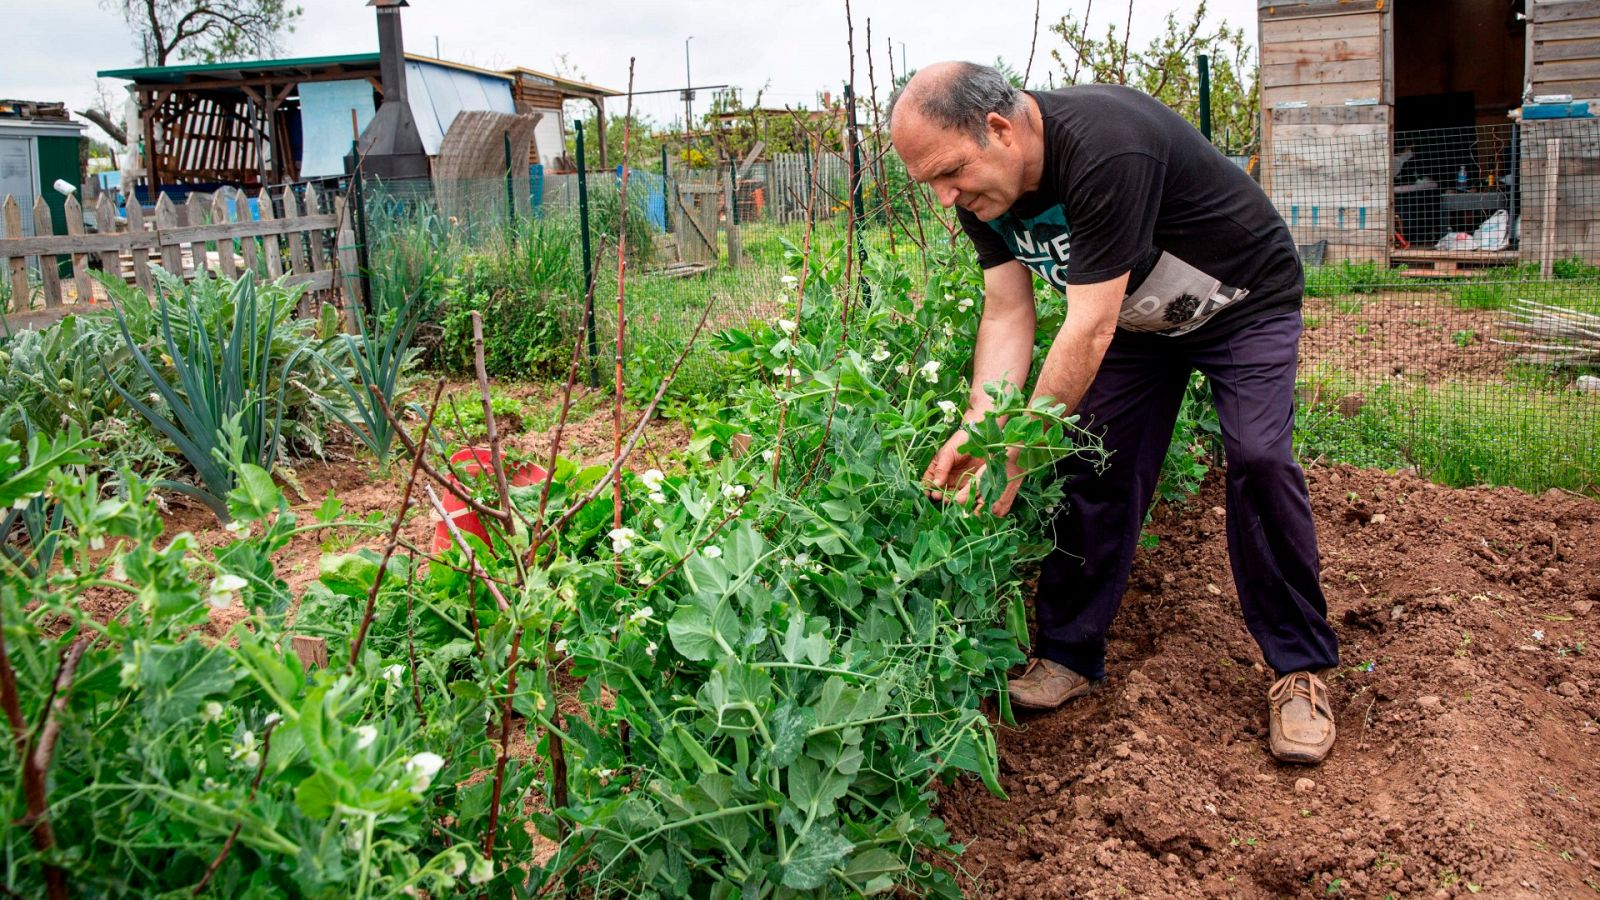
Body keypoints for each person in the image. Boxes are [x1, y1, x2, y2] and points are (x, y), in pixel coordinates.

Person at [888, 61, 1340, 764]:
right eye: (932, 184)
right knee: (1096, 458)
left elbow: (1087, 327)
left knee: (1258, 456)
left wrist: (1013, 452)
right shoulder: (983, 196)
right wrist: (983, 428)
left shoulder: (1105, 146)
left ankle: (1298, 670)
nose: (946, 195)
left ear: (999, 129)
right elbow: (1009, 311)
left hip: (1239, 300)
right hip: (1141, 319)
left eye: (949, 172)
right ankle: (1068, 653)